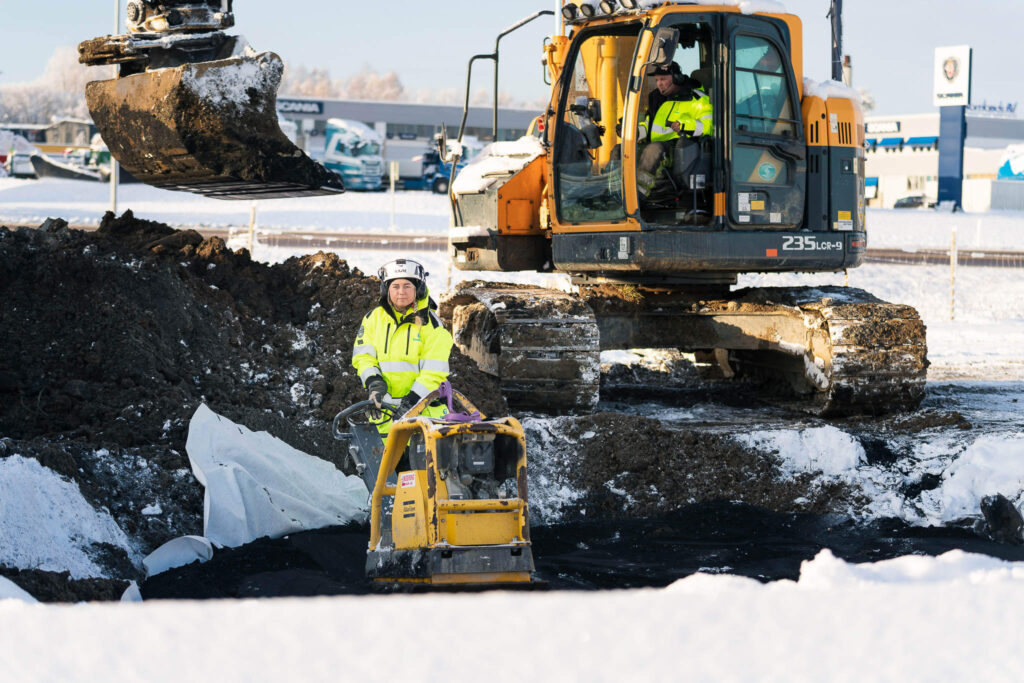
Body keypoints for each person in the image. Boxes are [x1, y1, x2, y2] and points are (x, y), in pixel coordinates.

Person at [351, 258, 453, 436]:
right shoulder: (372, 319)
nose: (401, 292)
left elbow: (434, 372)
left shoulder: (433, 325)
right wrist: (374, 383)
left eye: (407, 286)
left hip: (425, 417)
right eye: (395, 286)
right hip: (383, 414)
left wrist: (413, 402)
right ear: (386, 290)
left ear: (418, 289)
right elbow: (363, 357)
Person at [636, 62, 713, 199]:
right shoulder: (657, 98)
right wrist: (635, 133)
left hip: (679, 148)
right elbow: (648, 124)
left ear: (677, 78)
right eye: (657, 80)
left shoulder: (697, 99)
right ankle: (615, 193)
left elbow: (708, 126)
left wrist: (684, 125)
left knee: (653, 150)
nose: (659, 84)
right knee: (621, 149)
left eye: (663, 79)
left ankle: (636, 197)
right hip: (655, 146)